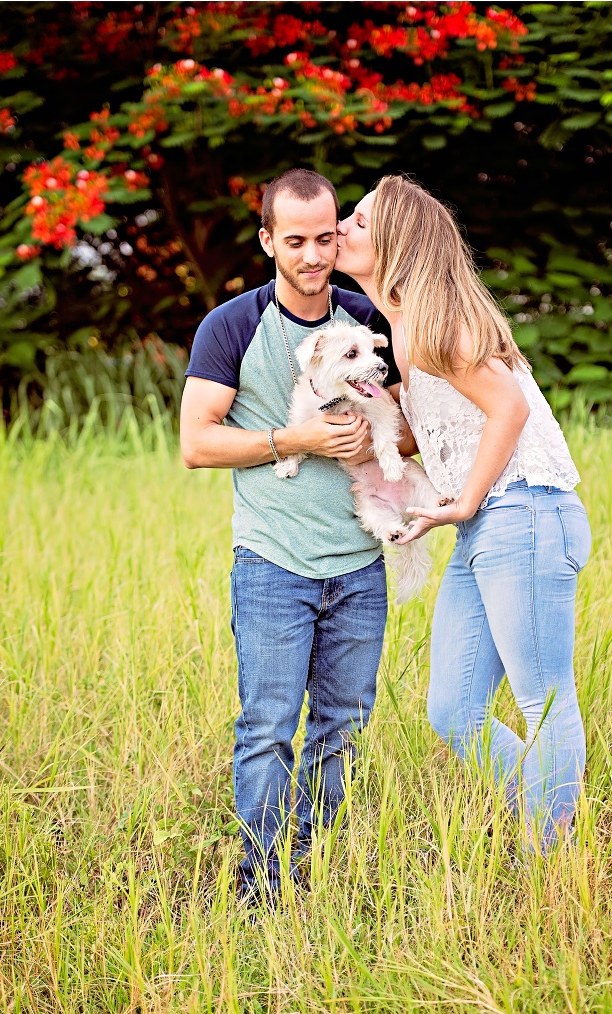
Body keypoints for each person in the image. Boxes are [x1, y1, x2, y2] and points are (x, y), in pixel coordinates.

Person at [335, 174, 592, 852]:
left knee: (543, 698)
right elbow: (446, 427)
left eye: (359, 221)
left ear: (392, 240)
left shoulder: (432, 321)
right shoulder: (401, 330)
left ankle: (553, 852)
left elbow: (509, 407)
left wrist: (464, 500)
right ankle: (553, 824)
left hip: (525, 512)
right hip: (489, 525)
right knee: (453, 709)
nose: (342, 227)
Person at [179, 168, 414, 902]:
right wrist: (297, 439)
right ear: (267, 241)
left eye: (324, 237)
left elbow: (414, 431)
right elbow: (196, 443)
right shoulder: (233, 325)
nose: (314, 255)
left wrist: (380, 438)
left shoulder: (367, 319)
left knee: (341, 725)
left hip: (358, 567)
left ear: (337, 229)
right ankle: (260, 886)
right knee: (269, 728)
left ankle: (310, 870)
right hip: (272, 564)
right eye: (296, 241)